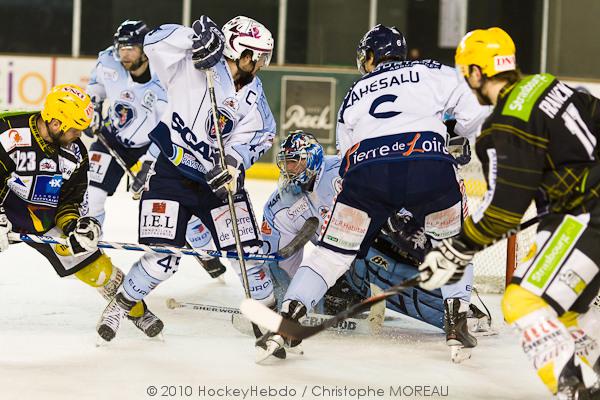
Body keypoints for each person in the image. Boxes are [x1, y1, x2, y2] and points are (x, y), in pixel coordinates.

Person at [260, 23, 490, 356]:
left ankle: (288, 322)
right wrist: (452, 131)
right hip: (427, 164)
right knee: (453, 246)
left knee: (330, 256)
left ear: (370, 56)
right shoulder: (430, 71)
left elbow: (346, 156)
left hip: (367, 172)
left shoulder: (354, 93)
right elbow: (474, 113)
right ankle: (456, 325)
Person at [418, 27, 600, 398]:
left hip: (584, 216)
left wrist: (457, 248)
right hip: (580, 214)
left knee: (521, 300)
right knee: (563, 315)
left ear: (475, 72)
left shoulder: (505, 123)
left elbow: (504, 211)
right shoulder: (551, 85)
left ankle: (578, 390)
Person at [95, 15, 277, 342]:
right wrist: (193, 37)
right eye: (257, 55)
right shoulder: (192, 64)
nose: (261, 63)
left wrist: (234, 164)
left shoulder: (254, 92)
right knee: (162, 258)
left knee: (247, 253)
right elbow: (153, 41)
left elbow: (263, 134)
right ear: (238, 49)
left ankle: (269, 323)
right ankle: (120, 305)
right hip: (170, 175)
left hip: (218, 183)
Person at [261, 131, 490, 359]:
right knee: (349, 279)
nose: (289, 169)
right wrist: (278, 301)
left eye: (294, 162)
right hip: (342, 262)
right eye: (286, 163)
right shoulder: (281, 204)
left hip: (378, 245)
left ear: (310, 159)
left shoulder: (343, 171)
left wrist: (402, 223)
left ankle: (456, 309)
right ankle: (311, 307)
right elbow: (279, 258)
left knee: (387, 267)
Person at [0, 84, 162, 337]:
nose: (79, 135)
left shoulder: (75, 153)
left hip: (43, 216)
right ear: (55, 122)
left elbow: (70, 201)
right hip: (4, 208)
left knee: (96, 269)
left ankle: (137, 311)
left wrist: (75, 226)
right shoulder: (9, 133)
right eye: (74, 129)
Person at [86, 19, 226, 277]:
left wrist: (149, 164)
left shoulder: (167, 79)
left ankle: (204, 250)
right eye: (121, 48)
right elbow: (95, 87)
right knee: (92, 193)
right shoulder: (108, 61)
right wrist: (92, 109)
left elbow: (171, 127)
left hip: (154, 145)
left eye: (131, 48)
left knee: (172, 197)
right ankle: (89, 247)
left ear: (144, 49)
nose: (124, 54)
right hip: (112, 138)